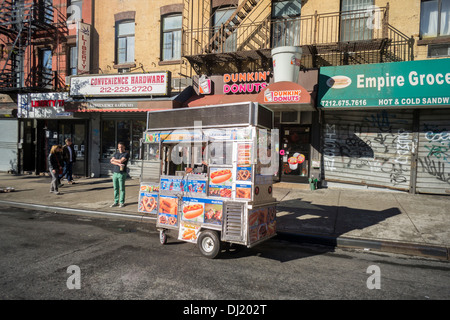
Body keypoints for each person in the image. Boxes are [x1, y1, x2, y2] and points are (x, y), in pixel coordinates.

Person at [110, 142, 129, 208]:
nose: (120, 148)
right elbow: (111, 161)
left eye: (121, 147)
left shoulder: (126, 154)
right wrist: (118, 164)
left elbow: (121, 161)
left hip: (121, 173)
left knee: (121, 188)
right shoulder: (116, 153)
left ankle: (121, 202)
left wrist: (115, 160)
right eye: (119, 147)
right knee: (115, 188)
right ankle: (116, 201)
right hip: (115, 173)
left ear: (124, 147)